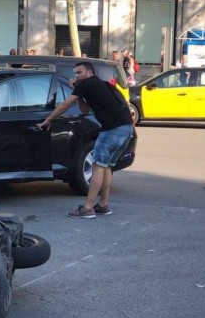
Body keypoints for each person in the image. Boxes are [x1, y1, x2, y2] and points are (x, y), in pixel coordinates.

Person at [37, 61, 133, 219]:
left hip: (112, 130)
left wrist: (48, 120)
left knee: (97, 167)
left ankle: (88, 207)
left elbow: (65, 105)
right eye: (75, 73)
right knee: (107, 166)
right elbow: (85, 109)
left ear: (89, 73)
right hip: (126, 128)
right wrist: (78, 90)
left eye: (79, 72)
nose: (76, 75)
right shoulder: (99, 84)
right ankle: (103, 205)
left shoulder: (87, 83)